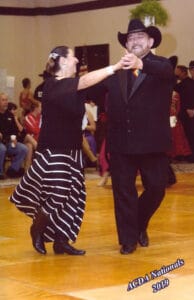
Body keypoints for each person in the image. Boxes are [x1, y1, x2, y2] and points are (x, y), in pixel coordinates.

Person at [10, 45, 124, 255]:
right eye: (73, 58)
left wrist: (125, 68)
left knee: (74, 195)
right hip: (54, 149)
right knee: (59, 192)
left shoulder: (76, 88)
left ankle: (61, 240)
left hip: (72, 149)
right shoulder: (52, 85)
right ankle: (38, 228)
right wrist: (113, 66)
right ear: (62, 61)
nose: (77, 62)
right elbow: (84, 80)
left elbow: (99, 84)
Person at [99, 19, 174, 254]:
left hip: (152, 143)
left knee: (156, 188)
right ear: (126, 44)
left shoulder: (161, 66)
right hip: (121, 143)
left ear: (151, 41)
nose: (135, 41)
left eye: (140, 37)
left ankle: (139, 223)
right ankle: (128, 240)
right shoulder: (116, 71)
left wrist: (141, 63)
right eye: (131, 38)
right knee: (123, 192)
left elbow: (165, 71)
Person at [0, 93, 28, 178]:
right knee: (2, 149)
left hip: (9, 142)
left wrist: (14, 138)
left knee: (23, 148)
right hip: (0, 143)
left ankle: (12, 170)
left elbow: (15, 130)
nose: (6, 102)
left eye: (6, 100)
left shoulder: (10, 115)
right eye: (3, 100)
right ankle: (0, 172)